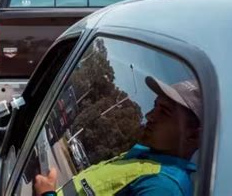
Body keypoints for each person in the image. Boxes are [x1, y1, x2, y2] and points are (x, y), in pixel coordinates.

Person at [34, 77, 202, 196]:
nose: (150, 115)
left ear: (194, 135)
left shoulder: (164, 187)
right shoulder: (145, 158)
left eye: (164, 112)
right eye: (154, 106)